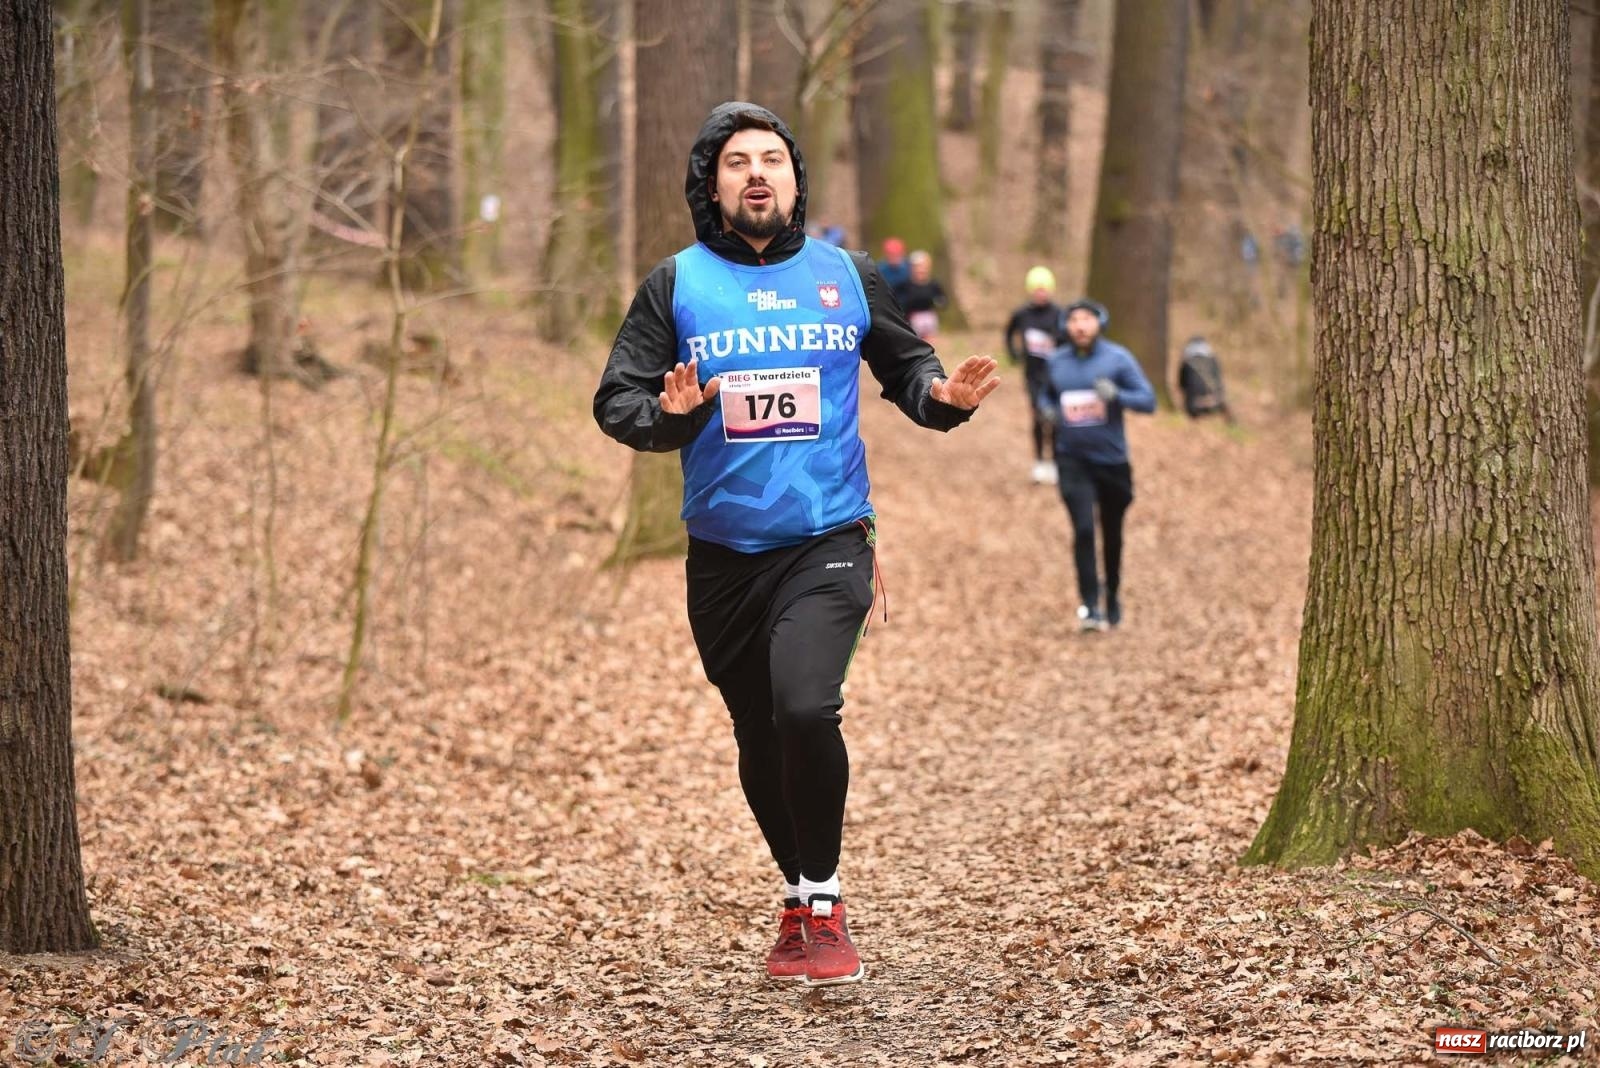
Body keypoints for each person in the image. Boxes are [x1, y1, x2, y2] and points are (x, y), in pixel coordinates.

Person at [593, 102, 999, 987]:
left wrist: (945, 401)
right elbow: (616, 401)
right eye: (736, 162)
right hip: (724, 555)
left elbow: (905, 367)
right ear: (714, 184)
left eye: (770, 158)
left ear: (793, 177)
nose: (756, 174)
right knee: (757, 728)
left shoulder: (844, 275)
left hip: (828, 539)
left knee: (807, 706)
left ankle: (824, 900)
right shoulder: (676, 285)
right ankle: (796, 892)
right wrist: (667, 417)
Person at [1034, 299, 1155, 631]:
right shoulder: (1056, 361)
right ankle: (1090, 604)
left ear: (1099, 323)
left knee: (1112, 533)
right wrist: (1047, 409)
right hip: (1072, 460)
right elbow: (1045, 395)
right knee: (1084, 530)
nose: (1080, 326)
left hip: (1112, 462)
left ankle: (1112, 592)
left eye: (1087, 319)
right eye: (1074, 320)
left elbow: (1149, 400)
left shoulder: (1118, 359)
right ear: (1066, 327)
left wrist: (1117, 395)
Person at [1004, 265, 1067, 484]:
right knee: (1039, 417)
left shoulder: (1060, 314)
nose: (1041, 293)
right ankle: (1040, 462)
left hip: (1056, 375)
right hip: (1032, 375)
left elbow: (1067, 341)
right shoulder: (1022, 314)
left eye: (1045, 289)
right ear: (1030, 290)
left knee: (1057, 420)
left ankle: (1056, 463)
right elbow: (1009, 332)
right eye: (1037, 289)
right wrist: (1013, 353)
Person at [1177, 335, 1232, 421]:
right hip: (1216, 402)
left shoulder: (1187, 362)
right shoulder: (1213, 360)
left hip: (1194, 405)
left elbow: (1181, 385)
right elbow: (1219, 381)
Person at [897, 250, 947, 343]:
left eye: (923, 266)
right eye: (917, 267)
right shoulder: (906, 285)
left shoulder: (933, 284)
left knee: (931, 342)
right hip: (912, 318)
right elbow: (899, 302)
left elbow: (942, 300)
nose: (920, 270)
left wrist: (939, 302)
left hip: (930, 316)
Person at [877, 237, 910, 302]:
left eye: (897, 254)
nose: (894, 258)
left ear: (903, 253)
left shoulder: (910, 267)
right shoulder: (880, 269)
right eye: (891, 254)